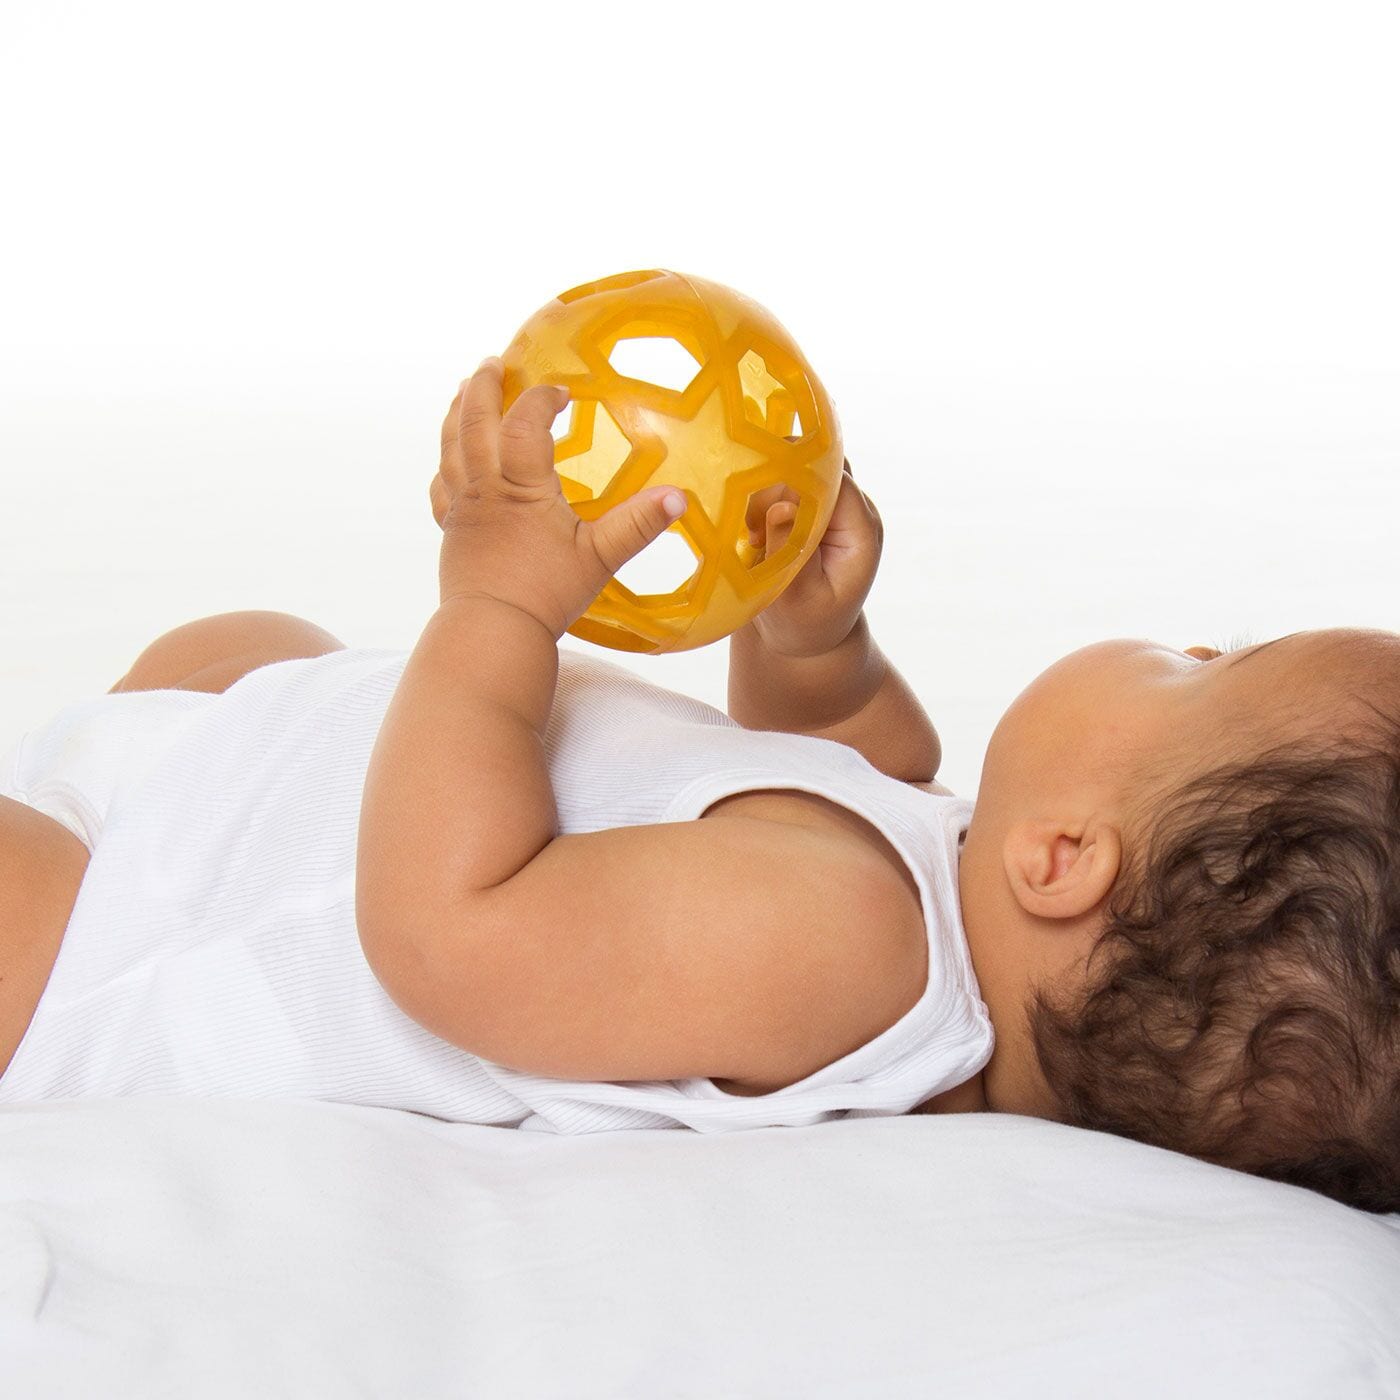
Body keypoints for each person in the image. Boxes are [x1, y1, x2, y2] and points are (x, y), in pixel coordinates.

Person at [2, 360, 1396, 1217]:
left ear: (1065, 859)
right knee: (246, 653)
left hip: (139, 943)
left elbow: (452, 933)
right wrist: (816, 644)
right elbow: (857, 767)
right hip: (242, 815)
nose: (1194, 634)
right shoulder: (923, 921)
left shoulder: (839, 948)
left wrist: (497, 614)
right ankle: (171, 740)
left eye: (1210, 663)